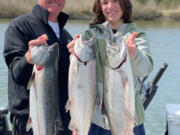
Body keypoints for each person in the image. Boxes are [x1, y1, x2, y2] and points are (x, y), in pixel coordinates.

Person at [67, 0, 153, 135]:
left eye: (115, 1)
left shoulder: (137, 36)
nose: (110, 6)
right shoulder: (90, 35)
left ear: (124, 3)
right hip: (94, 121)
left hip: (129, 119)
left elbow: (146, 69)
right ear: (99, 7)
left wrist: (134, 55)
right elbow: (78, 77)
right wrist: (74, 54)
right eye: (105, 2)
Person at [3, 0, 73, 134]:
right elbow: (17, 75)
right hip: (29, 123)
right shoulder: (19, 27)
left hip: (63, 125)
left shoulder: (66, 36)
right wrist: (29, 58)